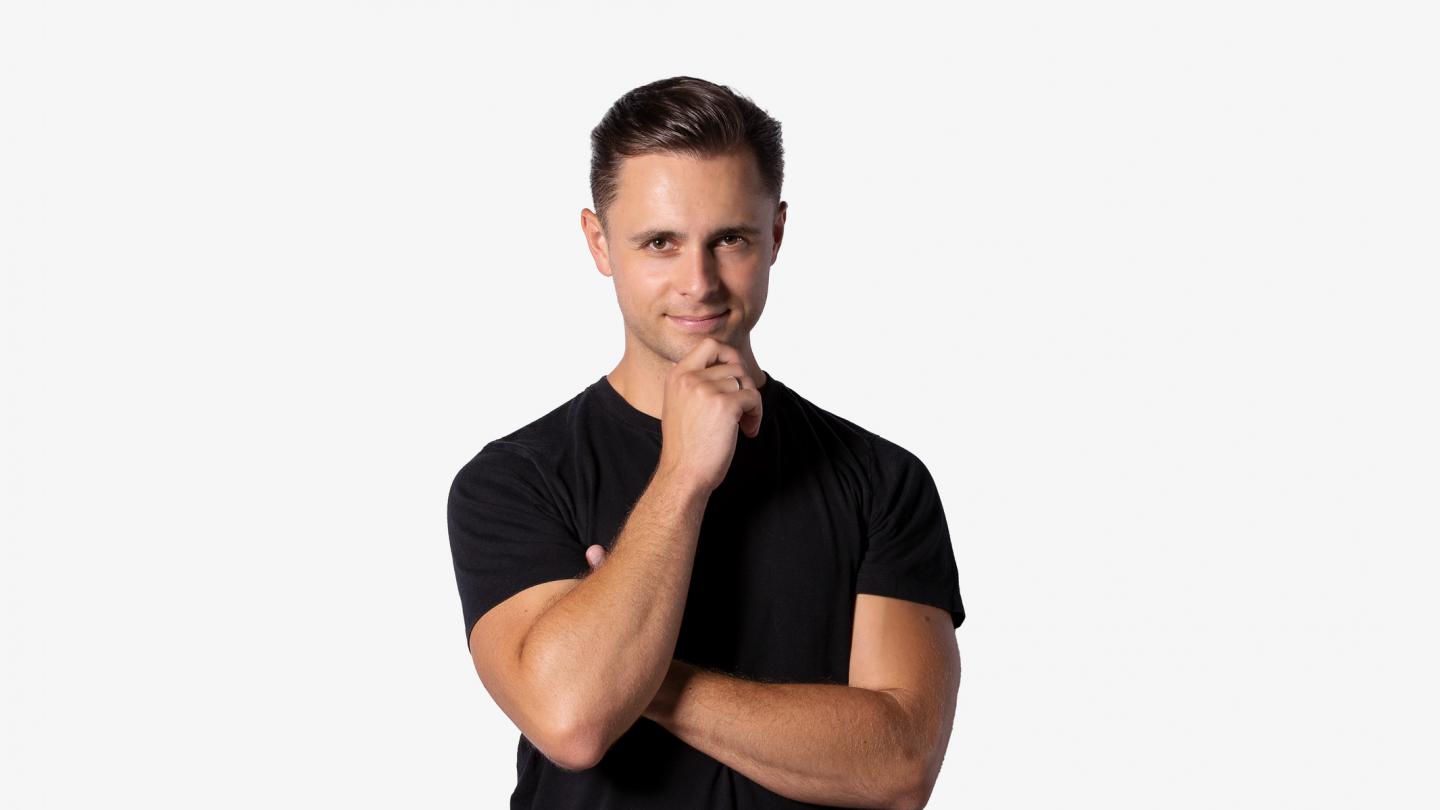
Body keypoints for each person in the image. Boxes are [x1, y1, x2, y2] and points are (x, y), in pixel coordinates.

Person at [447, 75, 965, 809]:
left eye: (730, 239)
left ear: (776, 235)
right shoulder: (514, 481)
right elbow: (572, 721)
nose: (699, 281)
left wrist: (646, 679)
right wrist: (684, 474)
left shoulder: (881, 480)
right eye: (660, 242)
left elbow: (900, 763)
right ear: (600, 243)